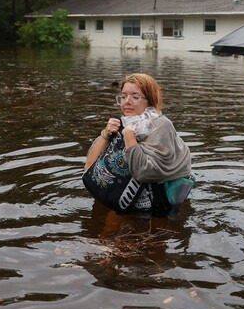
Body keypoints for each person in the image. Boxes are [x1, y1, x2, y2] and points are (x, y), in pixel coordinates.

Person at [83, 73, 193, 214]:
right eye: (123, 96)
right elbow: (89, 168)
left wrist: (129, 137)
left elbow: (145, 173)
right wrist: (105, 134)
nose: (127, 102)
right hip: (123, 201)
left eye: (135, 97)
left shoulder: (160, 125)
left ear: (149, 100)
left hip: (155, 210)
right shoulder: (124, 123)